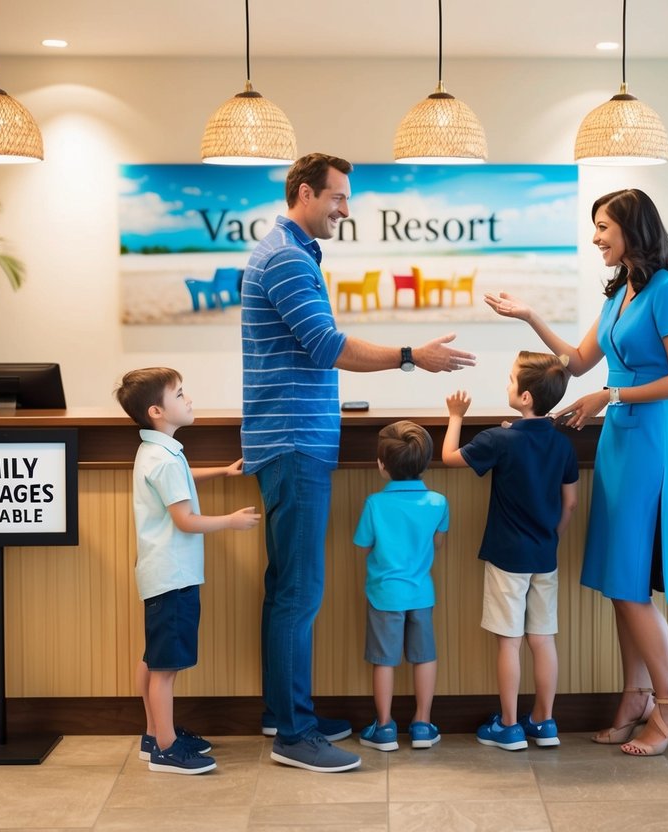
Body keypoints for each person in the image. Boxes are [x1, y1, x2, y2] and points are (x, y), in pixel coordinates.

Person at [241, 152, 476, 773]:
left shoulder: (288, 253)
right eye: (337, 198)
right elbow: (325, 346)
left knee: (286, 590)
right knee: (298, 592)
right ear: (303, 193)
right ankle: (293, 735)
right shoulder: (287, 258)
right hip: (294, 443)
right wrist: (410, 355)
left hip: (290, 439)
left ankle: (284, 712)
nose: (346, 210)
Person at [484, 188, 668, 757]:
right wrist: (530, 315)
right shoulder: (619, 294)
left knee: (632, 588)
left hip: (649, 440)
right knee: (619, 584)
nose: (596, 237)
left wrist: (611, 394)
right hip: (618, 443)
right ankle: (636, 696)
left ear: (633, 229)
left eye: (603, 226)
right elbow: (575, 363)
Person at [114, 367, 262, 774]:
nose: (189, 399)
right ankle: (165, 747)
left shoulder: (158, 451)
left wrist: (220, 472)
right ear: (157, 410)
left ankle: (154, 734)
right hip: (173, 576)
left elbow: (179, 480)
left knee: (154, 658)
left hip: (161, 574)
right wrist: (229, 521)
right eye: (180, 394)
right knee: (165, 668)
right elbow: (185, 520)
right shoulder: (162, 459)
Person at [441, 351, 579, 751]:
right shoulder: (561, 444)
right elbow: (568, 503)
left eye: (509, 379)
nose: (506, 384)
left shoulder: (498, 440)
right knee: (542, 639)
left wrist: (455, 416)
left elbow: (450, 457)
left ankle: (508, 725)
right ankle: (544, 721)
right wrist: (553, 536)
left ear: (525, 399)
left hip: (508, 559)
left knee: (509, 642)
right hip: (544, 557)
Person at [353, 421, 448, 752]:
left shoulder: (374, 505)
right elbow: (438, 543)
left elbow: (363, 545)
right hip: (421, 593)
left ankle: (384, 728)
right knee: (424, 657)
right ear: (425, 464)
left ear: (382, 465)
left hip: (384, 595)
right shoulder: (438, 503)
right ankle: (422, 724)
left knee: (385, 660)